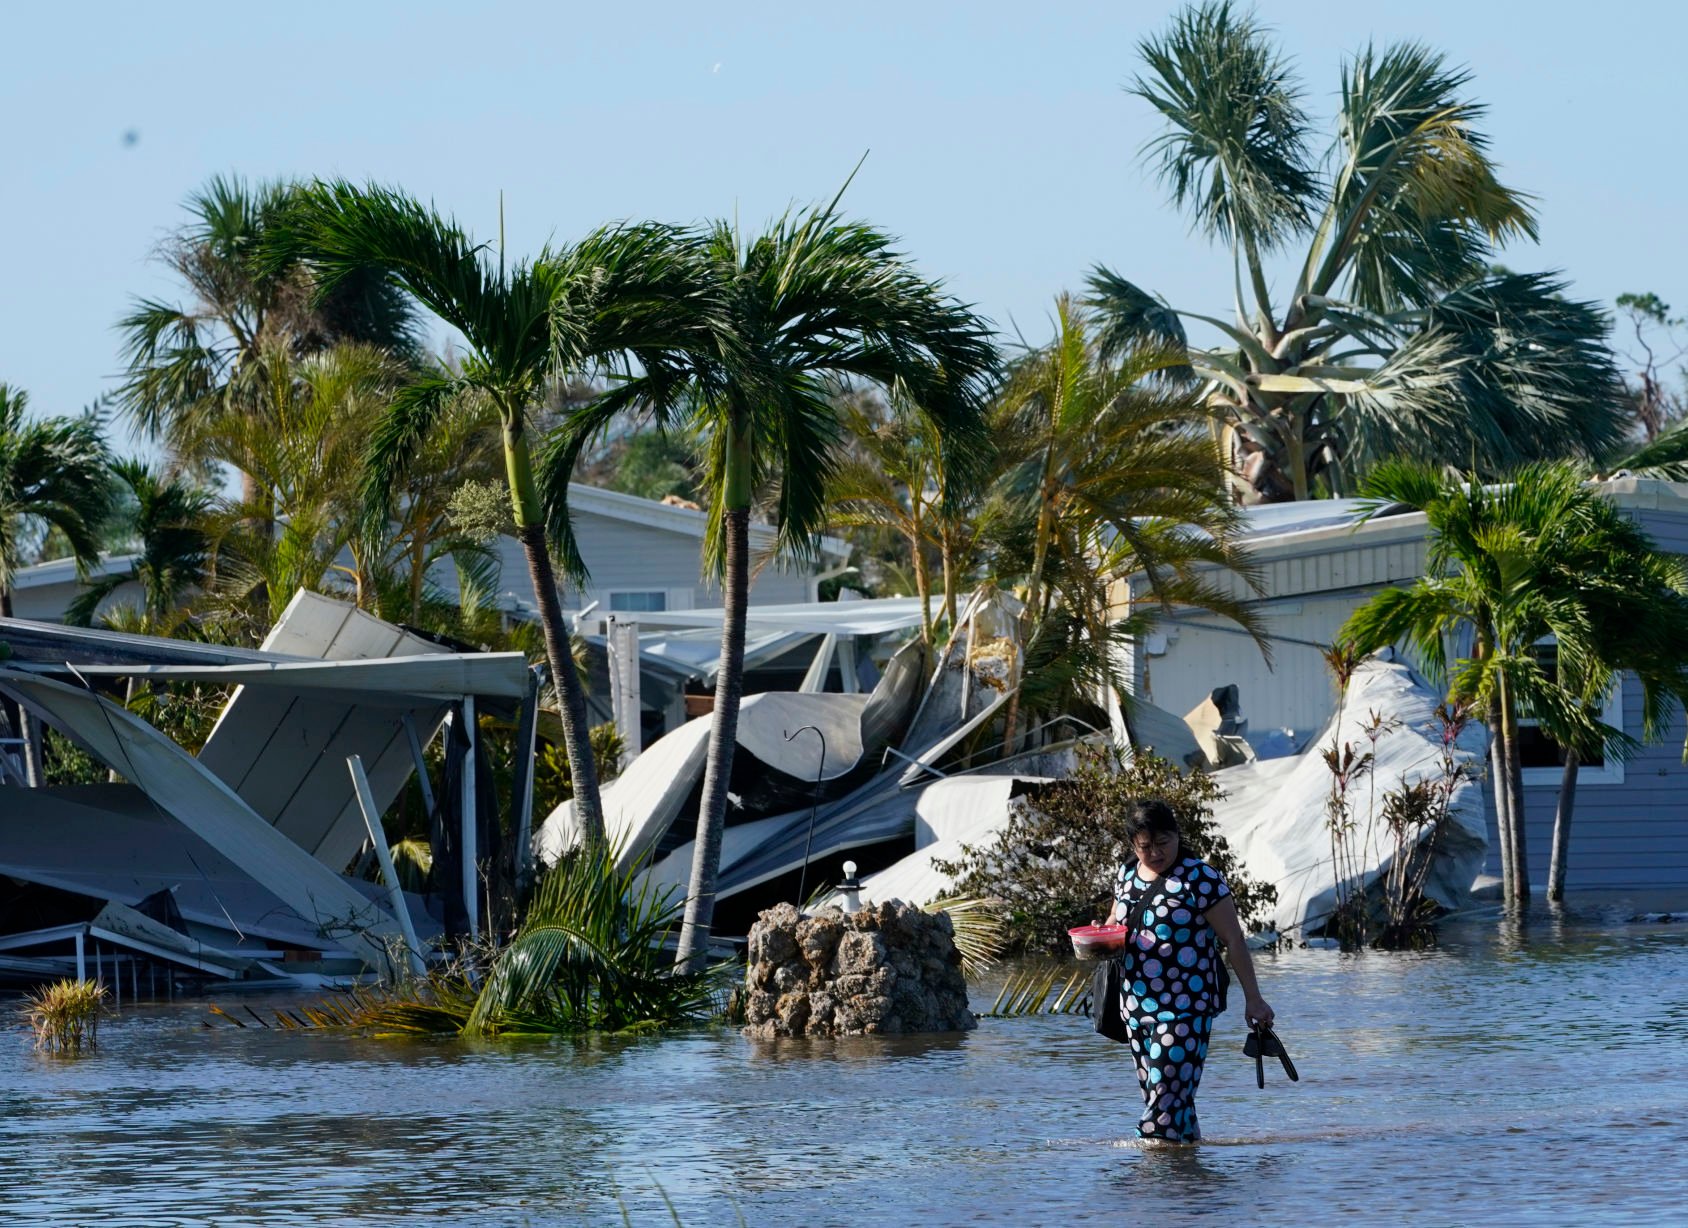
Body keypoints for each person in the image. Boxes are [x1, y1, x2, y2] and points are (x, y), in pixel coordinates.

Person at [1101, 798, 1274, 1143]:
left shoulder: (1200, 878)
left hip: (1186, 1007)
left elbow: (1234, 940)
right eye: (1145, 846)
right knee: (1170, 1102)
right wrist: (1099, 934)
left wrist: (1254, 1000)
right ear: (1133, 845)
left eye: (1163, 843)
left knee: (1163, 1102)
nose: (1155, 853)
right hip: (1135, 1007)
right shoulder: (1125, 876)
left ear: (1177, 835)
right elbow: (1113, 925)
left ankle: (1148, 1186)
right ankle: (1189, 1185)